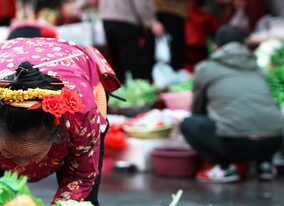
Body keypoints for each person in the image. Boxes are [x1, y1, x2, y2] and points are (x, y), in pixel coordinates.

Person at [0, 38, 121, 206]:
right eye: (9, 153)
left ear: (57, 135)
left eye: (33, 155)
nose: (21, 165)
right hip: (7, 55)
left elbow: (81, 176)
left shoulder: (81, 115)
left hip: (73, 71)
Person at [180, 26, 284, 183]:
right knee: (262, 119)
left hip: (235, 144)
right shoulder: (258, 69)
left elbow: (197, 109)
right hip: (274, 141)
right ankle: (265, 165)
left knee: (190, 124)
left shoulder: (206, 68)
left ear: (216, 46)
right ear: (245, 45)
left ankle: (225, 168)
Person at [78, 0, 165, 82]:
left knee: (117, 61)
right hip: (126, 20)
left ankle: (123, 90)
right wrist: (151, 21)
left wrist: (80, 5)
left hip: (107, 20)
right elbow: (140, 2)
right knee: (132, 62)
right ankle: (137, 90)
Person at [155, 0, 190, 71]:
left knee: (174, 47)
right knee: (172, 48)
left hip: (176, 12)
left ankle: (174, 72)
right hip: (168, 12)